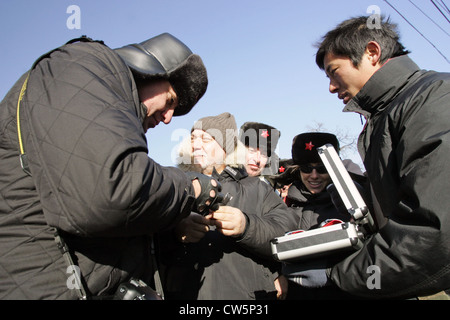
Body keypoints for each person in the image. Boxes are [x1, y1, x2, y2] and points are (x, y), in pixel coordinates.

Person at [0, 33, 219, 299]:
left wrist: (173, 230)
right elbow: (111, 193)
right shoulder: (82, 63)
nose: (168, 119)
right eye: (170, 101)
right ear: (149, 71)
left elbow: (104, 224)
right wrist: (191, 187)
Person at [315, 15, 450, 299]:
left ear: (372, 53)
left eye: (333, 71)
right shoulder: (386, 116)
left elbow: (432, 234)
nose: (330, 87)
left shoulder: (435, 99)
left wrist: (336, 276)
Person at [159, 112, 298, 300]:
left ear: (226, 147)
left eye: (206, 139)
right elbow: (146, 241)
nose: (196, 145)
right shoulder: (172, 185)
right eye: (193, 138)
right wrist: (176, 232)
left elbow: (288, 232)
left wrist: (247, 226)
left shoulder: (257, 188)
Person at [270, 132, 364, 299]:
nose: (314, 175)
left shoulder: (352, 203)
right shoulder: (285, 206)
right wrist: (277, 273)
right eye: (306, 168)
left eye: (321, 168)